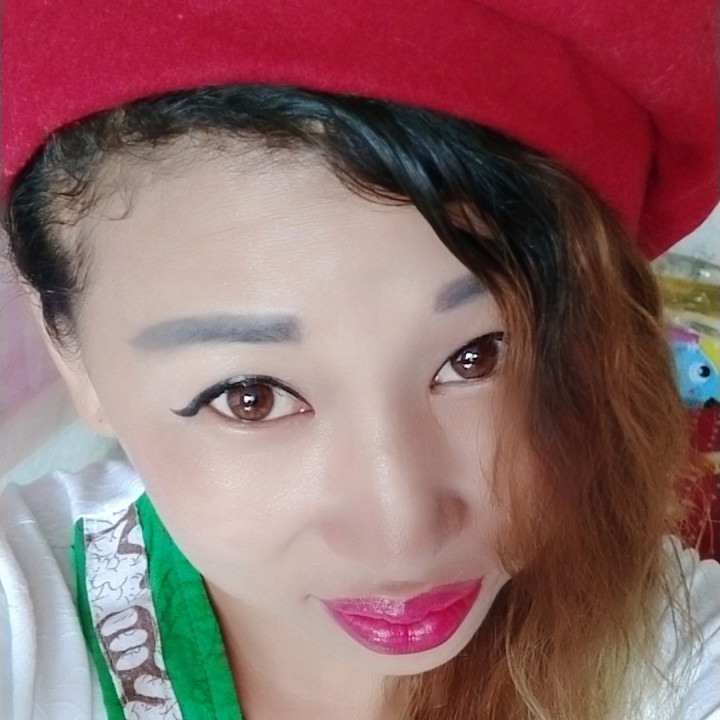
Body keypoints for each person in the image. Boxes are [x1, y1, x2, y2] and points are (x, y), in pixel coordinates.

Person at [1, 1, 718, 719]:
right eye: (251, 395)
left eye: (479, 356)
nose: (404, 539)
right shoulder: (26, 618)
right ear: (70, 352)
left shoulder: (674, 654)